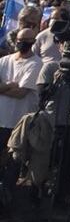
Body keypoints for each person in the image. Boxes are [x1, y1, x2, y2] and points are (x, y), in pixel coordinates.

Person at [0, 28, 43, 200]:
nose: (21, 42)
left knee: (13, 161)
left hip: (18, 122)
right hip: (1, 120)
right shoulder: (4, 61)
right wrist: (10, 85)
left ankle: (7, 195)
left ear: (32, 42)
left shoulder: (36, 64)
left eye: (26, 40)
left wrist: (4, 87)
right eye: (19, 39)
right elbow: (16, 89)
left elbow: (21, 93)